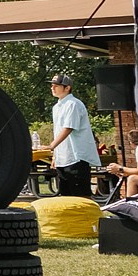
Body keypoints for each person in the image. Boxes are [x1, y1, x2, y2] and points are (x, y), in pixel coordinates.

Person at [47, 73, 100, 202]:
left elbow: (68, 128)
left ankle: (89, 220)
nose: (52, 88)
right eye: (52, 85)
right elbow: (58, 131)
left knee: (81, 196)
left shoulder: (73, 104)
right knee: (66, 197)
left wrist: (51, 146)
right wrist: (55, 155)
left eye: (56, 85)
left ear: (67, 88)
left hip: (76, 157)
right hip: (63, 158)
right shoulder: (56, 107)